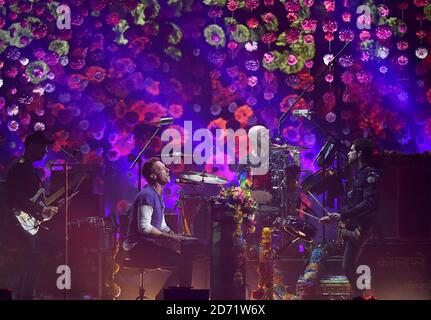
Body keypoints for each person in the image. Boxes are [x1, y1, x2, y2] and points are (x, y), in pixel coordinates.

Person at [123, 158, 196, 291]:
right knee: (183, 262)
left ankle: (166, 296)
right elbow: (144, 227)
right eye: (162, 168)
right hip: (139, 249)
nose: (168, 170)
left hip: (148, 246)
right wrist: (169, 237)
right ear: (153, 176)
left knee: (184, 260)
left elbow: (161, 226)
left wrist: (176, 235)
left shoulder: (157, 196)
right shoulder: (147, 195)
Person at [319, 138, 379, 297]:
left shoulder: (370, 175)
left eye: (352, 150)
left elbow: (368, 203)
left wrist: (343, 214)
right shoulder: (356, 175)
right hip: (350, 226)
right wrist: (334, 217)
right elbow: (350, 205)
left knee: (347, 266)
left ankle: (364, 295)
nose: (349, 153)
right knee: (348, 264)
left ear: (359, 153)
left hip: (359, 228)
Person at [6, 131, 58, 299]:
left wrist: (42, 212)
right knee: (31, 262)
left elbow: (30, 197)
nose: (45, 151)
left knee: (34, 261)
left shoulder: (28, 168)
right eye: (43, 146)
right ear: (31, 146)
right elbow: (15, 197)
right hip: (15, 224)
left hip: (25, 222)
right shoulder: (20, 167)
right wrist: (40, 211)